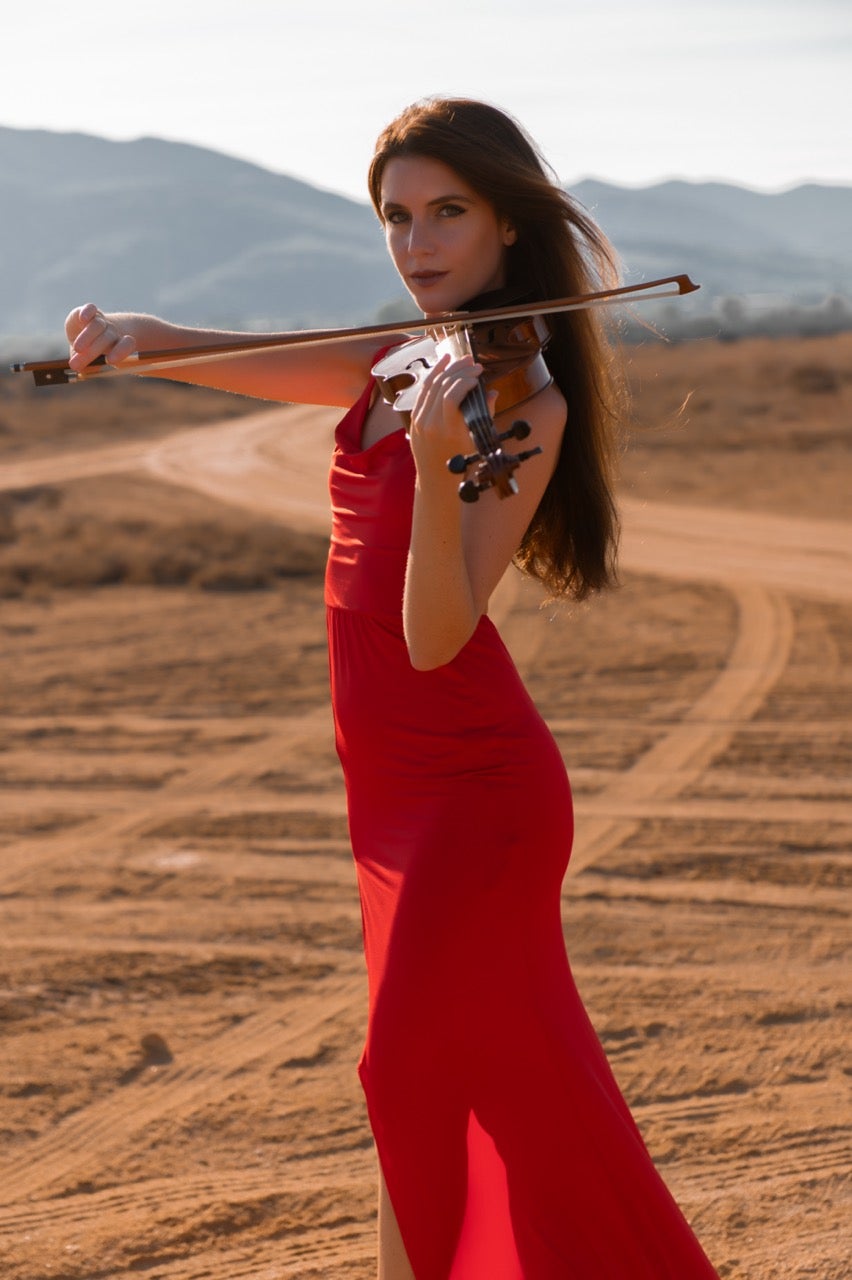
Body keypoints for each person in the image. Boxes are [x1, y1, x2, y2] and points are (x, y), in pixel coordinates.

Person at [65, 97, 720, 1280]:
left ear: (508, 224)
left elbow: (432, 635)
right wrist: (133, 334)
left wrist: (431, 464)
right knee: (440, 1079)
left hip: (476, 790)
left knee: (407, 1065)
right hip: (393, 785)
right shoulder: (397, 362)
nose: (417, 243)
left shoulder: (522, 403)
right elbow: (224, 355)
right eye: (396, 217)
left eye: (447, 212)